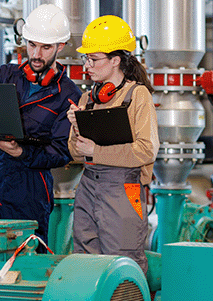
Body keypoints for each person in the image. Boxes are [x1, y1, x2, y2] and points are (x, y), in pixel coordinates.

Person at [0, 4, 81, 245]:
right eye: (32, 44)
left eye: (45, 47)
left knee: (27, 260)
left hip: (29, 189)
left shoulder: (68, 94)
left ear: (60, 47)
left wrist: (20, 151)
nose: (36, 54)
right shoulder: (5, 75)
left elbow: (61, 152)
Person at [66, 15, 158, 274]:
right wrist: (75, 128)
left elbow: (146, 149)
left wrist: (97, 151)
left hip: (122, 189)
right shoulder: (89, 98)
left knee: (123, 263)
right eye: (86, 59)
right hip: (88, 185)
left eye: (93, 59)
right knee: (84, 262)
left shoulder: (137, 95)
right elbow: (74, 153)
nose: (87, 65)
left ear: (115, 60)